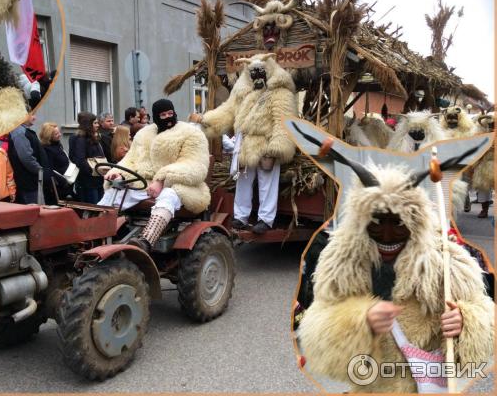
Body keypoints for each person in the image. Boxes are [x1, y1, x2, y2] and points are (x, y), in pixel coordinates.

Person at [296, 135, 494, 393]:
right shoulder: (342, 260)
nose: (387, 236)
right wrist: (359, 321)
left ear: (415, 223)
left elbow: (487, 317)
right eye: (377, 222)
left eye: (399, 224)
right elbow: (315, 328)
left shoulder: (445, 260)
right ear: (361, 220)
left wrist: (466, 322)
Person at [193, 53, 298, 234]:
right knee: (243, 179)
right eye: (253, 73)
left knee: (267, 181)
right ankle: (241, 216)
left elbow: (283, 120)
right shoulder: (243, 93)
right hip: (245, 144)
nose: (258, 76)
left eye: (261, 72)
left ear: (268, 71)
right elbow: (227, 111)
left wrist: (277, 146)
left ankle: (265, 219)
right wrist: (206, 119)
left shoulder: (280, 93)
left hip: (266, 142)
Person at [100, 99, 210, 251]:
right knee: (115, 192)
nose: (167, 118)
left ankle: (145, 240)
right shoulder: (144, 135)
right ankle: (92, 236)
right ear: (156, 117)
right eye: (163, 115)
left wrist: (162, 179)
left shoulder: (190, 134)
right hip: (144, 184)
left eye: (170, 113)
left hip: (179, 185)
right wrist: (118, 174)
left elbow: (195, 165)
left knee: (169, 195)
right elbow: (130, 160)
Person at [7, 114, 51, 204]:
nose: (34, 118)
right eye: (32, 115)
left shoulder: (23, 131)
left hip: (31, 181)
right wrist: (39, 170)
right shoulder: (19, 132)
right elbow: (26, 157)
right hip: (28, 183)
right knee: (34, 212)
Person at [69, 112, 105, 204]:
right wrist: (93, 170)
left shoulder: (92, 137)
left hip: (97, 179)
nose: (98, 125)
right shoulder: (80, 139)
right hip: (88, 181)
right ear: (88, 124)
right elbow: (79, 160)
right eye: (95, 123)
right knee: (93, 208)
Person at [40, 121, 74, 200]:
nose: (60, 135)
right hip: (58, 186)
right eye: (56, 134)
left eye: (59, 132)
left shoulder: (58, 145)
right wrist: (63, 181)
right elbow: (49, 169)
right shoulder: (46, 149)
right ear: (49, 136)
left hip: (67, 183)